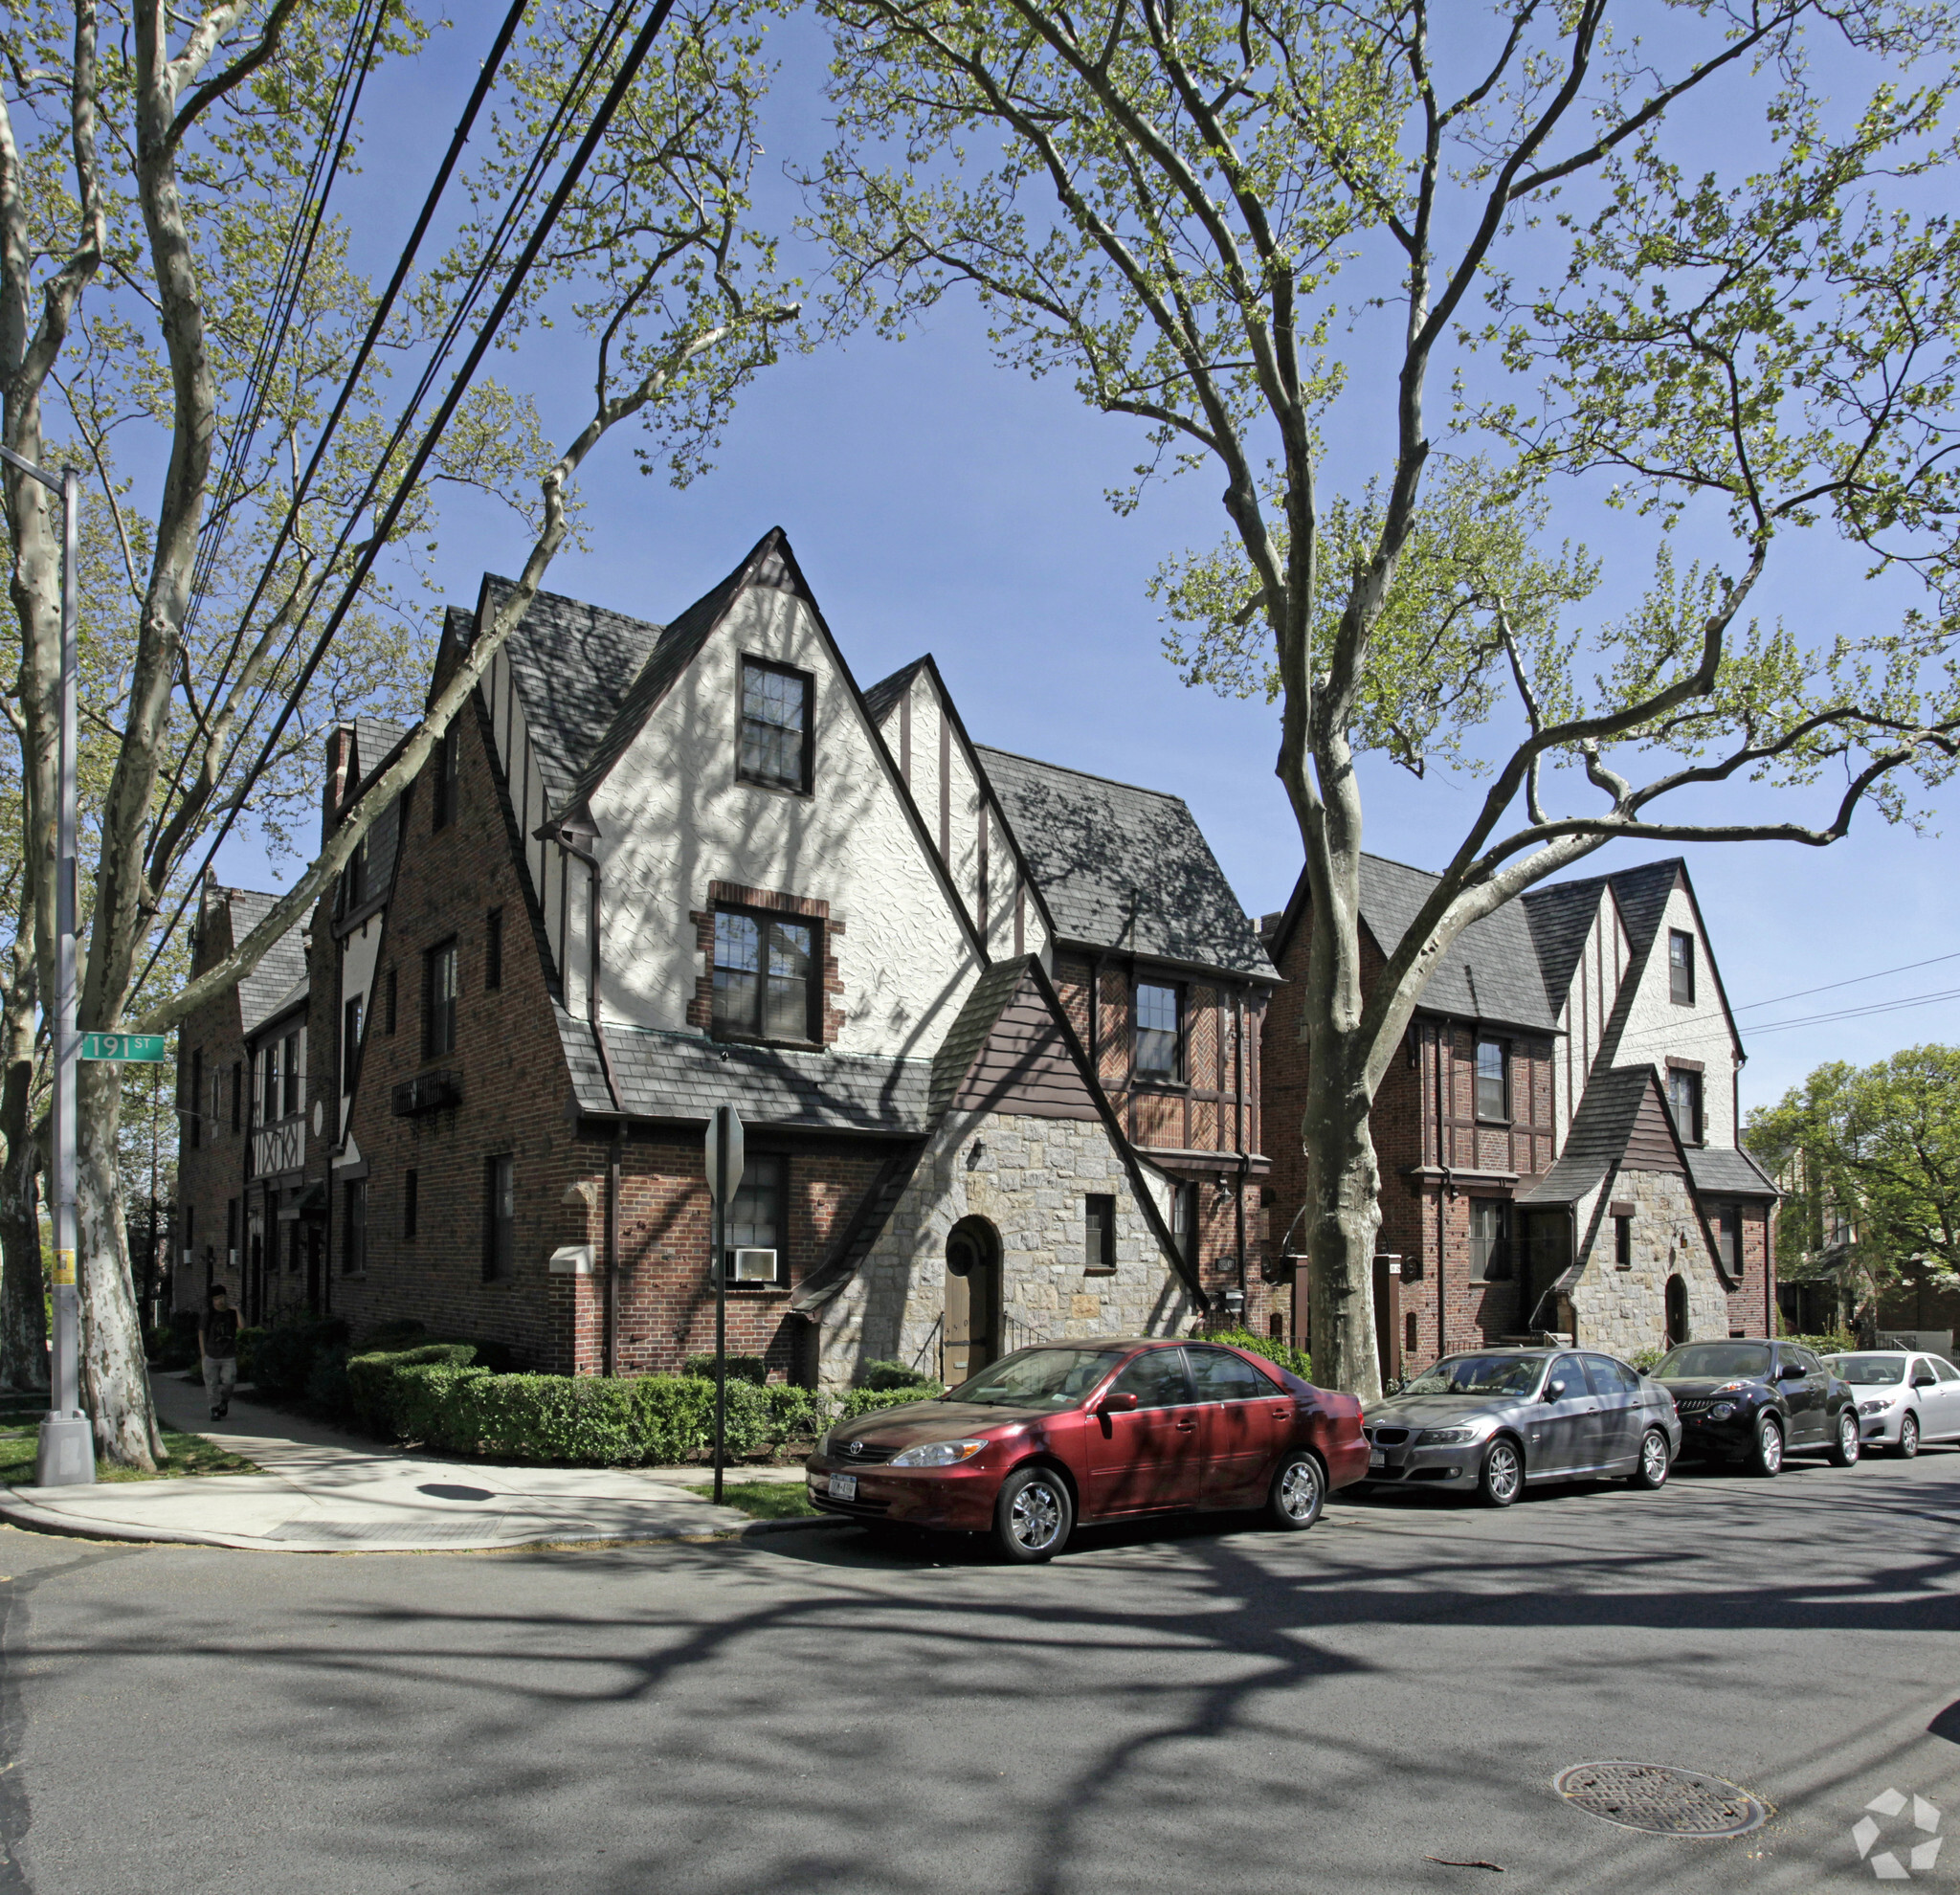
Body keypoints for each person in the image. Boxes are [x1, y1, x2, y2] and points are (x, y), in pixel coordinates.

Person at [198, 1285, 240, 1422]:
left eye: (221, 1297)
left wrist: (237, 1311)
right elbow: (201, 1332)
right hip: (211, 1354)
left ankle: (224, 1400)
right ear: (212, 1300)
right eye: (216, 1298)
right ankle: (214, 1409)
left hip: (228, 1354)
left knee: (229, 1381)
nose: (219, 1301)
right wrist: (203, 1352)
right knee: (211, 1384)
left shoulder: (231, 1313)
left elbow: (242, 1326)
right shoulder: (208, 1313)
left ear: (225, 1297)